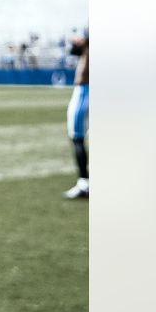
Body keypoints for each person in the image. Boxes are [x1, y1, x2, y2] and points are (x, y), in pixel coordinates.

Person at [63, 34, 89, 199]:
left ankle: (84, 183)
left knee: (77, 137)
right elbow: (74, 51)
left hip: (85, 90)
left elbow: (75, 45)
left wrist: (80, 39)